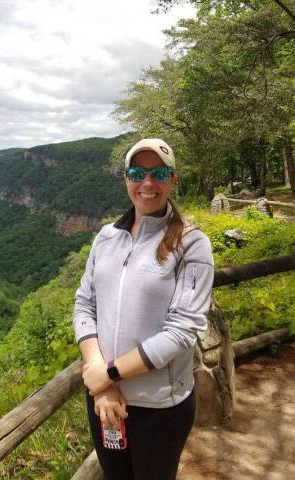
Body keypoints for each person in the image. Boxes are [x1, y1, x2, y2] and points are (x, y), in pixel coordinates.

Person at [73, 138, 214, 480]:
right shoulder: (107, 237)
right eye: (137, 172)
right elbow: (84, 303)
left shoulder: (192, 244)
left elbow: (182, 332)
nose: (147, 183)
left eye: (158, 173)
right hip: (105, 403)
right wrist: (100, 380)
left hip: (160, 408)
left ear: (172, 179)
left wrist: (109, 374)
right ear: (125, 179)